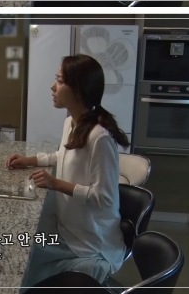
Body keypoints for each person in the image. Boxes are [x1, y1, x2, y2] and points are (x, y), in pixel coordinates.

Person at [8, 53, 127, 286]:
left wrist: (56, 184)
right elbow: (63, 155)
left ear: (79, 90)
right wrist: (30, 160)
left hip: (91, 243)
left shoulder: (99, 137)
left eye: (60, 81)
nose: (53, 87)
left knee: (23, 266)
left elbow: (104, 198)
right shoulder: (70, 123)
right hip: (69, 230)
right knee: (18, 254)